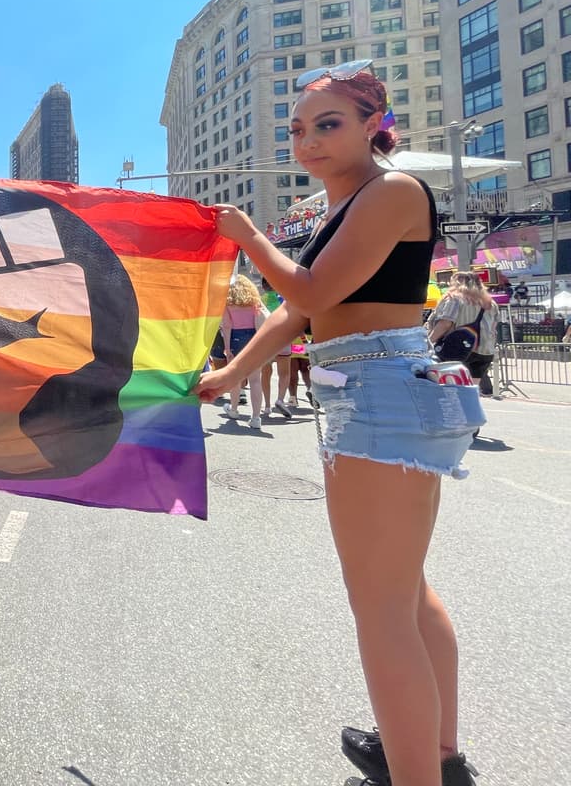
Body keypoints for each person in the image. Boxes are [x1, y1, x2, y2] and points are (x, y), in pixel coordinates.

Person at [195, 62, 481, 786]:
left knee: (381, 607)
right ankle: (433, 754)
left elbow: (313, 289)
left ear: (372, 127)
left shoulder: (392, 191)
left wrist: (248, 239)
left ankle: (418, 773)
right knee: (407, 592)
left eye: (329, 124)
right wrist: (233, 373)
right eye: (298, 128)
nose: (309, 140)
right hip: (376, 383)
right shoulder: (346, 205)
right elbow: (299, 312)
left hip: (379, 387)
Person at [427, 272, 497, 397]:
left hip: (456, 348)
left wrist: (428, 342)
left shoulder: (455, 298)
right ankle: (472, 412)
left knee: (451, 391)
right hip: (484, 350)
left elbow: (445, 323)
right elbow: (493, 328)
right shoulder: (490, 303)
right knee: (471, 391)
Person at [219, 274, 268, 429]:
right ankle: (255, 417)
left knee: (235, 378)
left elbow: (226, 326)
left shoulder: (228, 302)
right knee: (255, 379)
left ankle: (234, 409)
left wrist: (227, 348)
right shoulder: (254, 301)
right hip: (253, 338)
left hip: (235, 339)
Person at [259, 276, 293, 418]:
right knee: (284, 373)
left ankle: (266, 406)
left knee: (266, 373)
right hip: (284, 338)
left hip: (266, 340)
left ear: (263, 286)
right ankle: (280, 399)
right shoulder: (285, 300)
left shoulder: (260, 301)